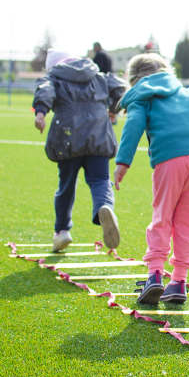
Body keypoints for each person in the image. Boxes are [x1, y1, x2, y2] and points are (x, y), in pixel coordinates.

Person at [113, 53, 189, 304]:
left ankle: (154, 276)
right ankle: (179, 281)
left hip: (169, 159)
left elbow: (134, 125)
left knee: (162, 217)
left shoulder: (143, 96)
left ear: (135, 78)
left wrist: (122, 162)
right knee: (188, 223)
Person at [33, 49, 126, 252]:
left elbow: (45, 90)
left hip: (68, 139)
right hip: (99, 137)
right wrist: (113, 109)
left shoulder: (55, 77)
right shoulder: (97, 75)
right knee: (100, 180)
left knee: (66, 186)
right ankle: (105, 207)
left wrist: (40, 112)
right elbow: (120, 88)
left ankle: (62, 231)